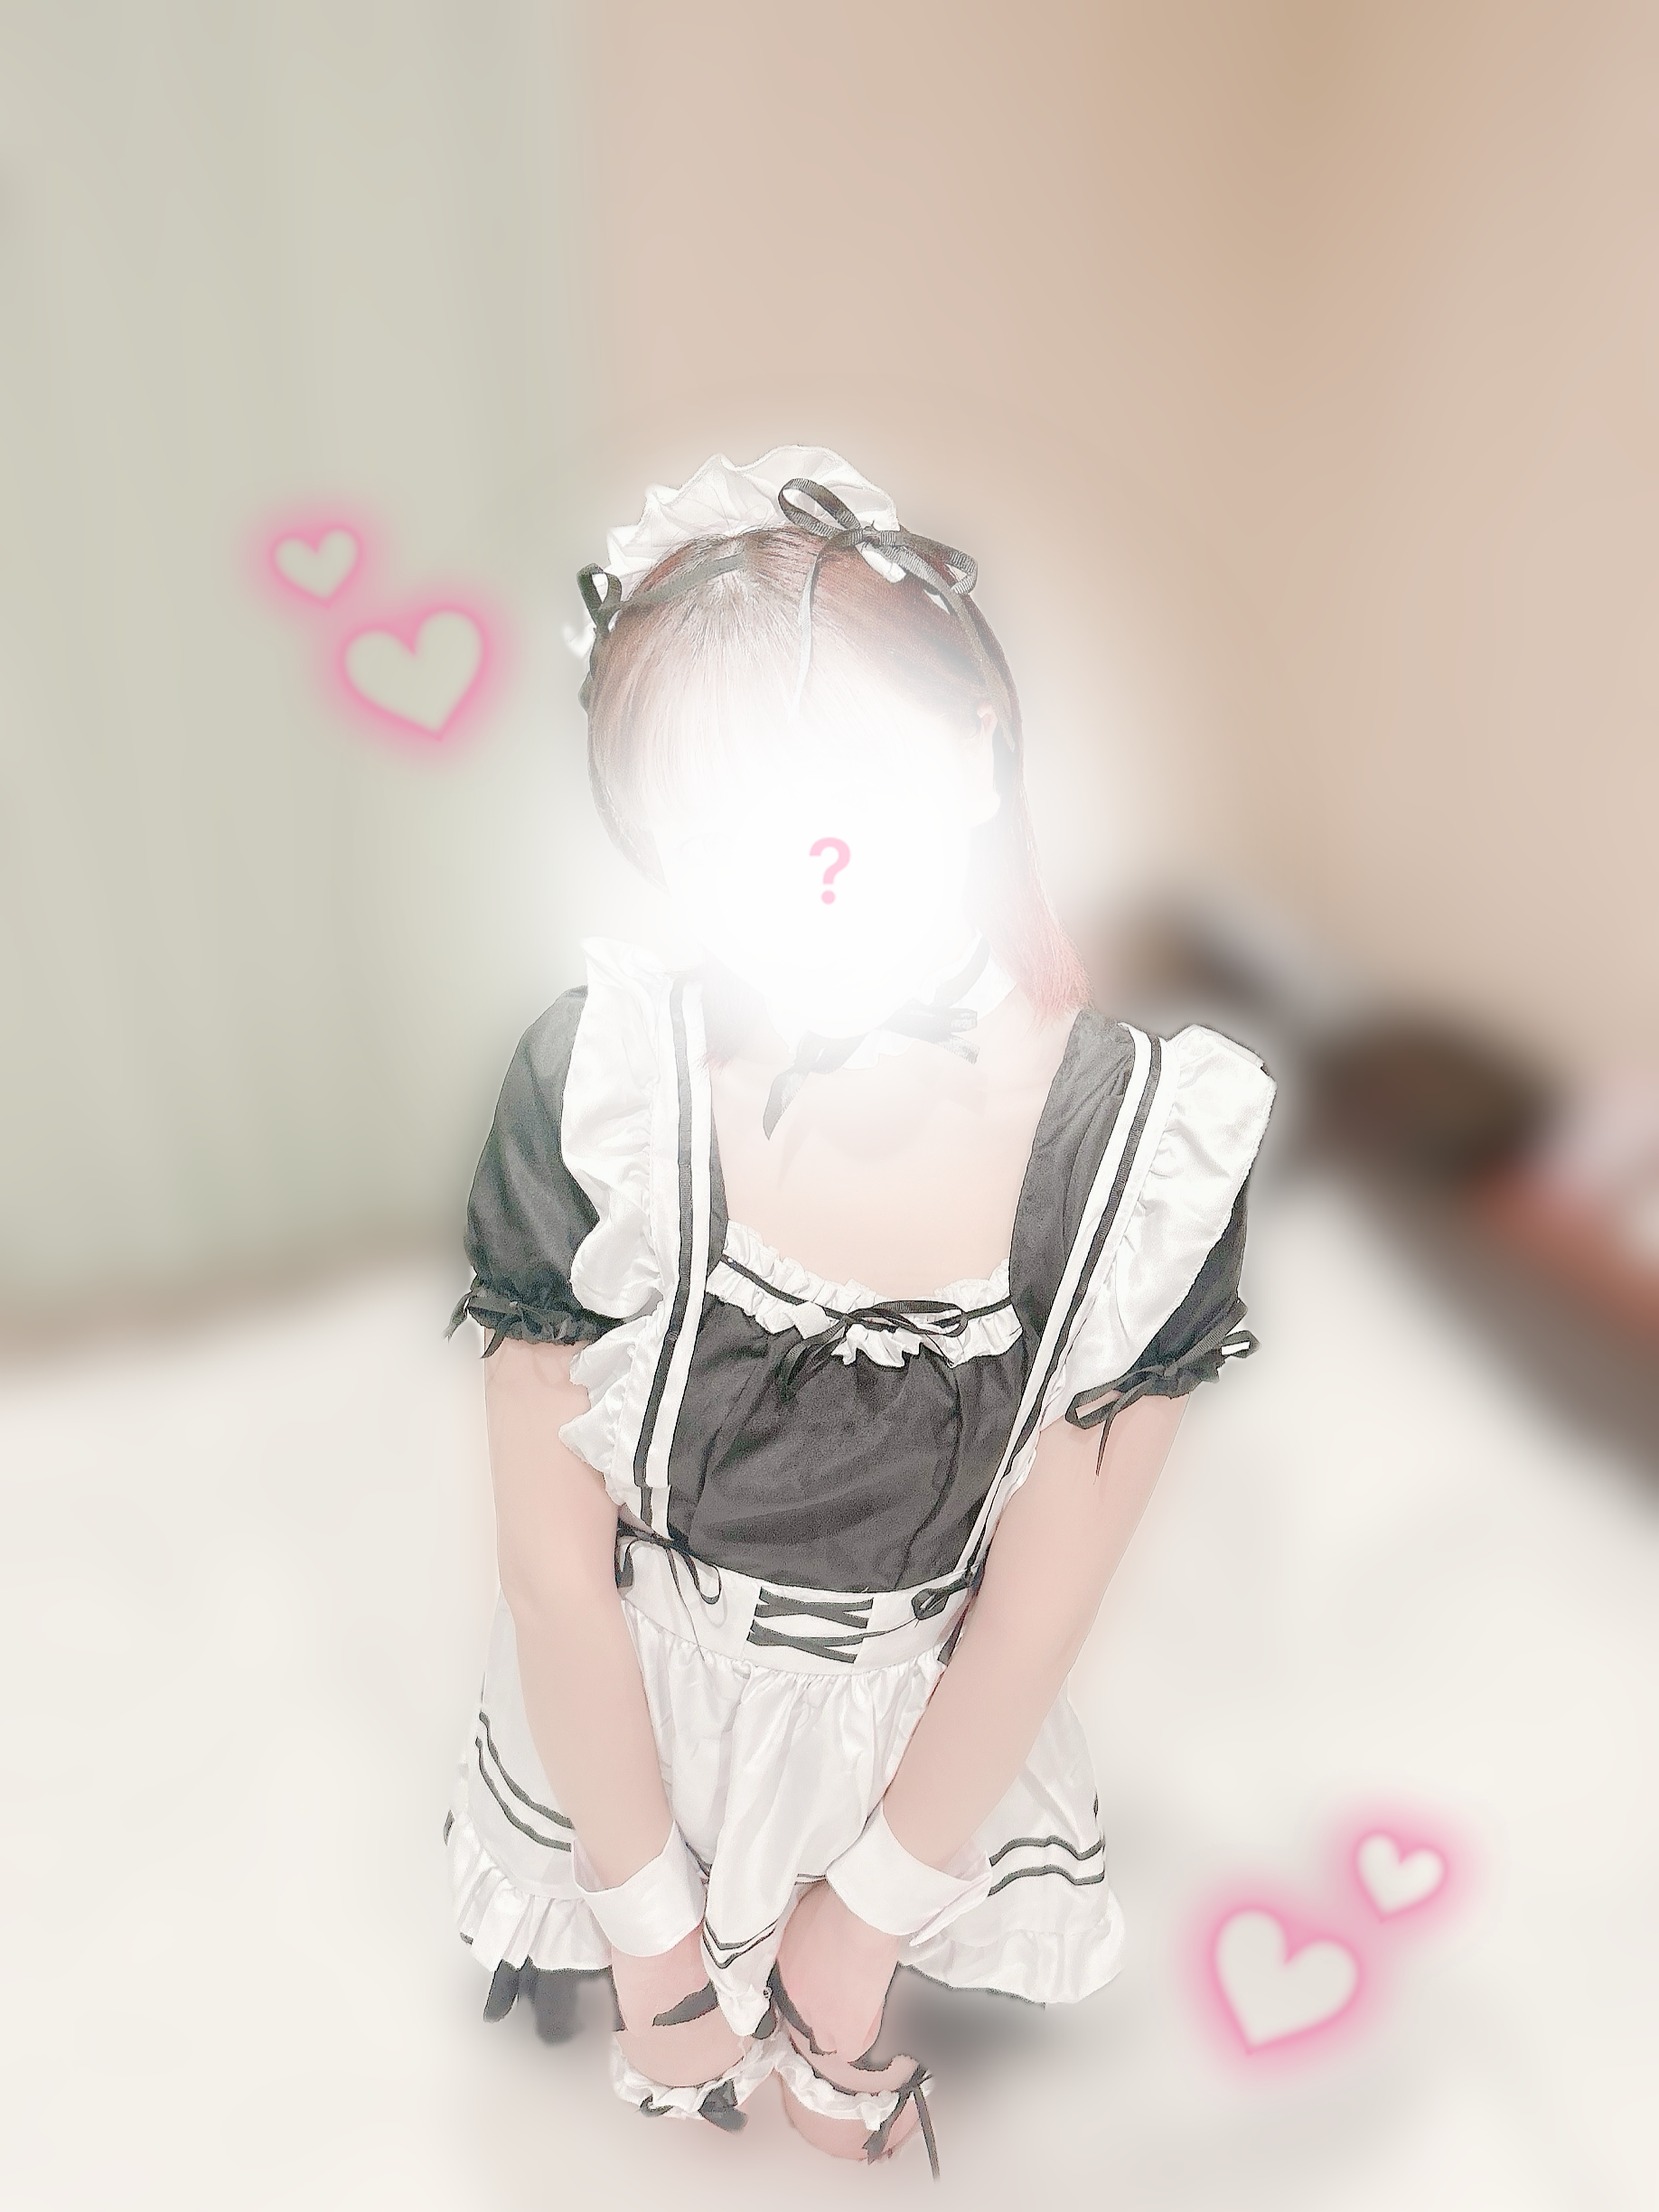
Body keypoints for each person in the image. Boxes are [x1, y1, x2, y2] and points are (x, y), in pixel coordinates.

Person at [445, 447, 1275, 2170]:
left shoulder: (1147, 1147)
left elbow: (1040, 1603)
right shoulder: (604, 1085)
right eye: (709, 828)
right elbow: (553, 1568)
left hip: (921, 1748)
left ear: (975, 749)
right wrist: (652, 1941)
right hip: (631, 1728)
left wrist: (863, 1922)